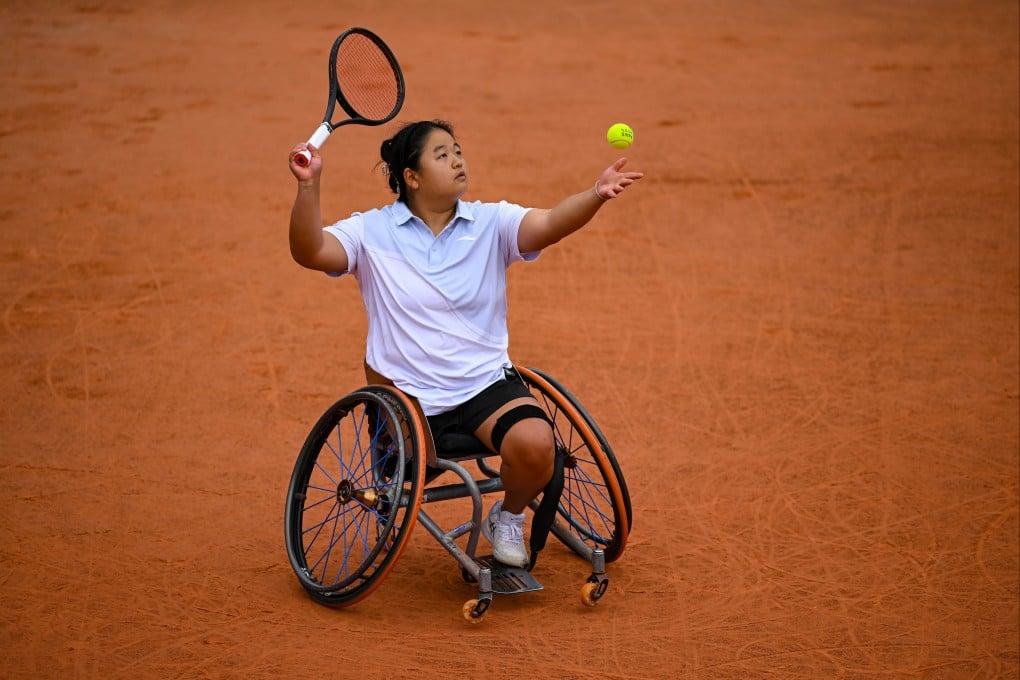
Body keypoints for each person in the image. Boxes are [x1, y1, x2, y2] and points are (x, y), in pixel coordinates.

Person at [288, 119, 642, 568]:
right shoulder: (370, 232)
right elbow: (310, 251)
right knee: (417, 456)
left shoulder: (491, 222)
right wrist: (308, 187)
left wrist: (595, 194)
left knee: (537, 443)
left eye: (457, 150)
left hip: (482, 386)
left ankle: (507, 518)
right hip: (407, 399)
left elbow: (550, 222)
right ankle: (416, 465)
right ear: (411, 178)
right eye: (441, 154)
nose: (457, 159)